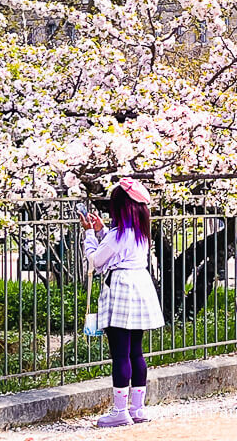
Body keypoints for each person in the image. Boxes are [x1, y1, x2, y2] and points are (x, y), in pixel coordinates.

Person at [82, 178, 165, 427]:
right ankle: (137, 408)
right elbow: (116, 246)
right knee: (135, 351)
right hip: (140, 286)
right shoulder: (140, 234)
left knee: (120, 353)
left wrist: (89, 235)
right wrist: (100, 232)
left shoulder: (118, 234)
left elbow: (96, 260)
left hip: (120, 289)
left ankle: (120, 411)